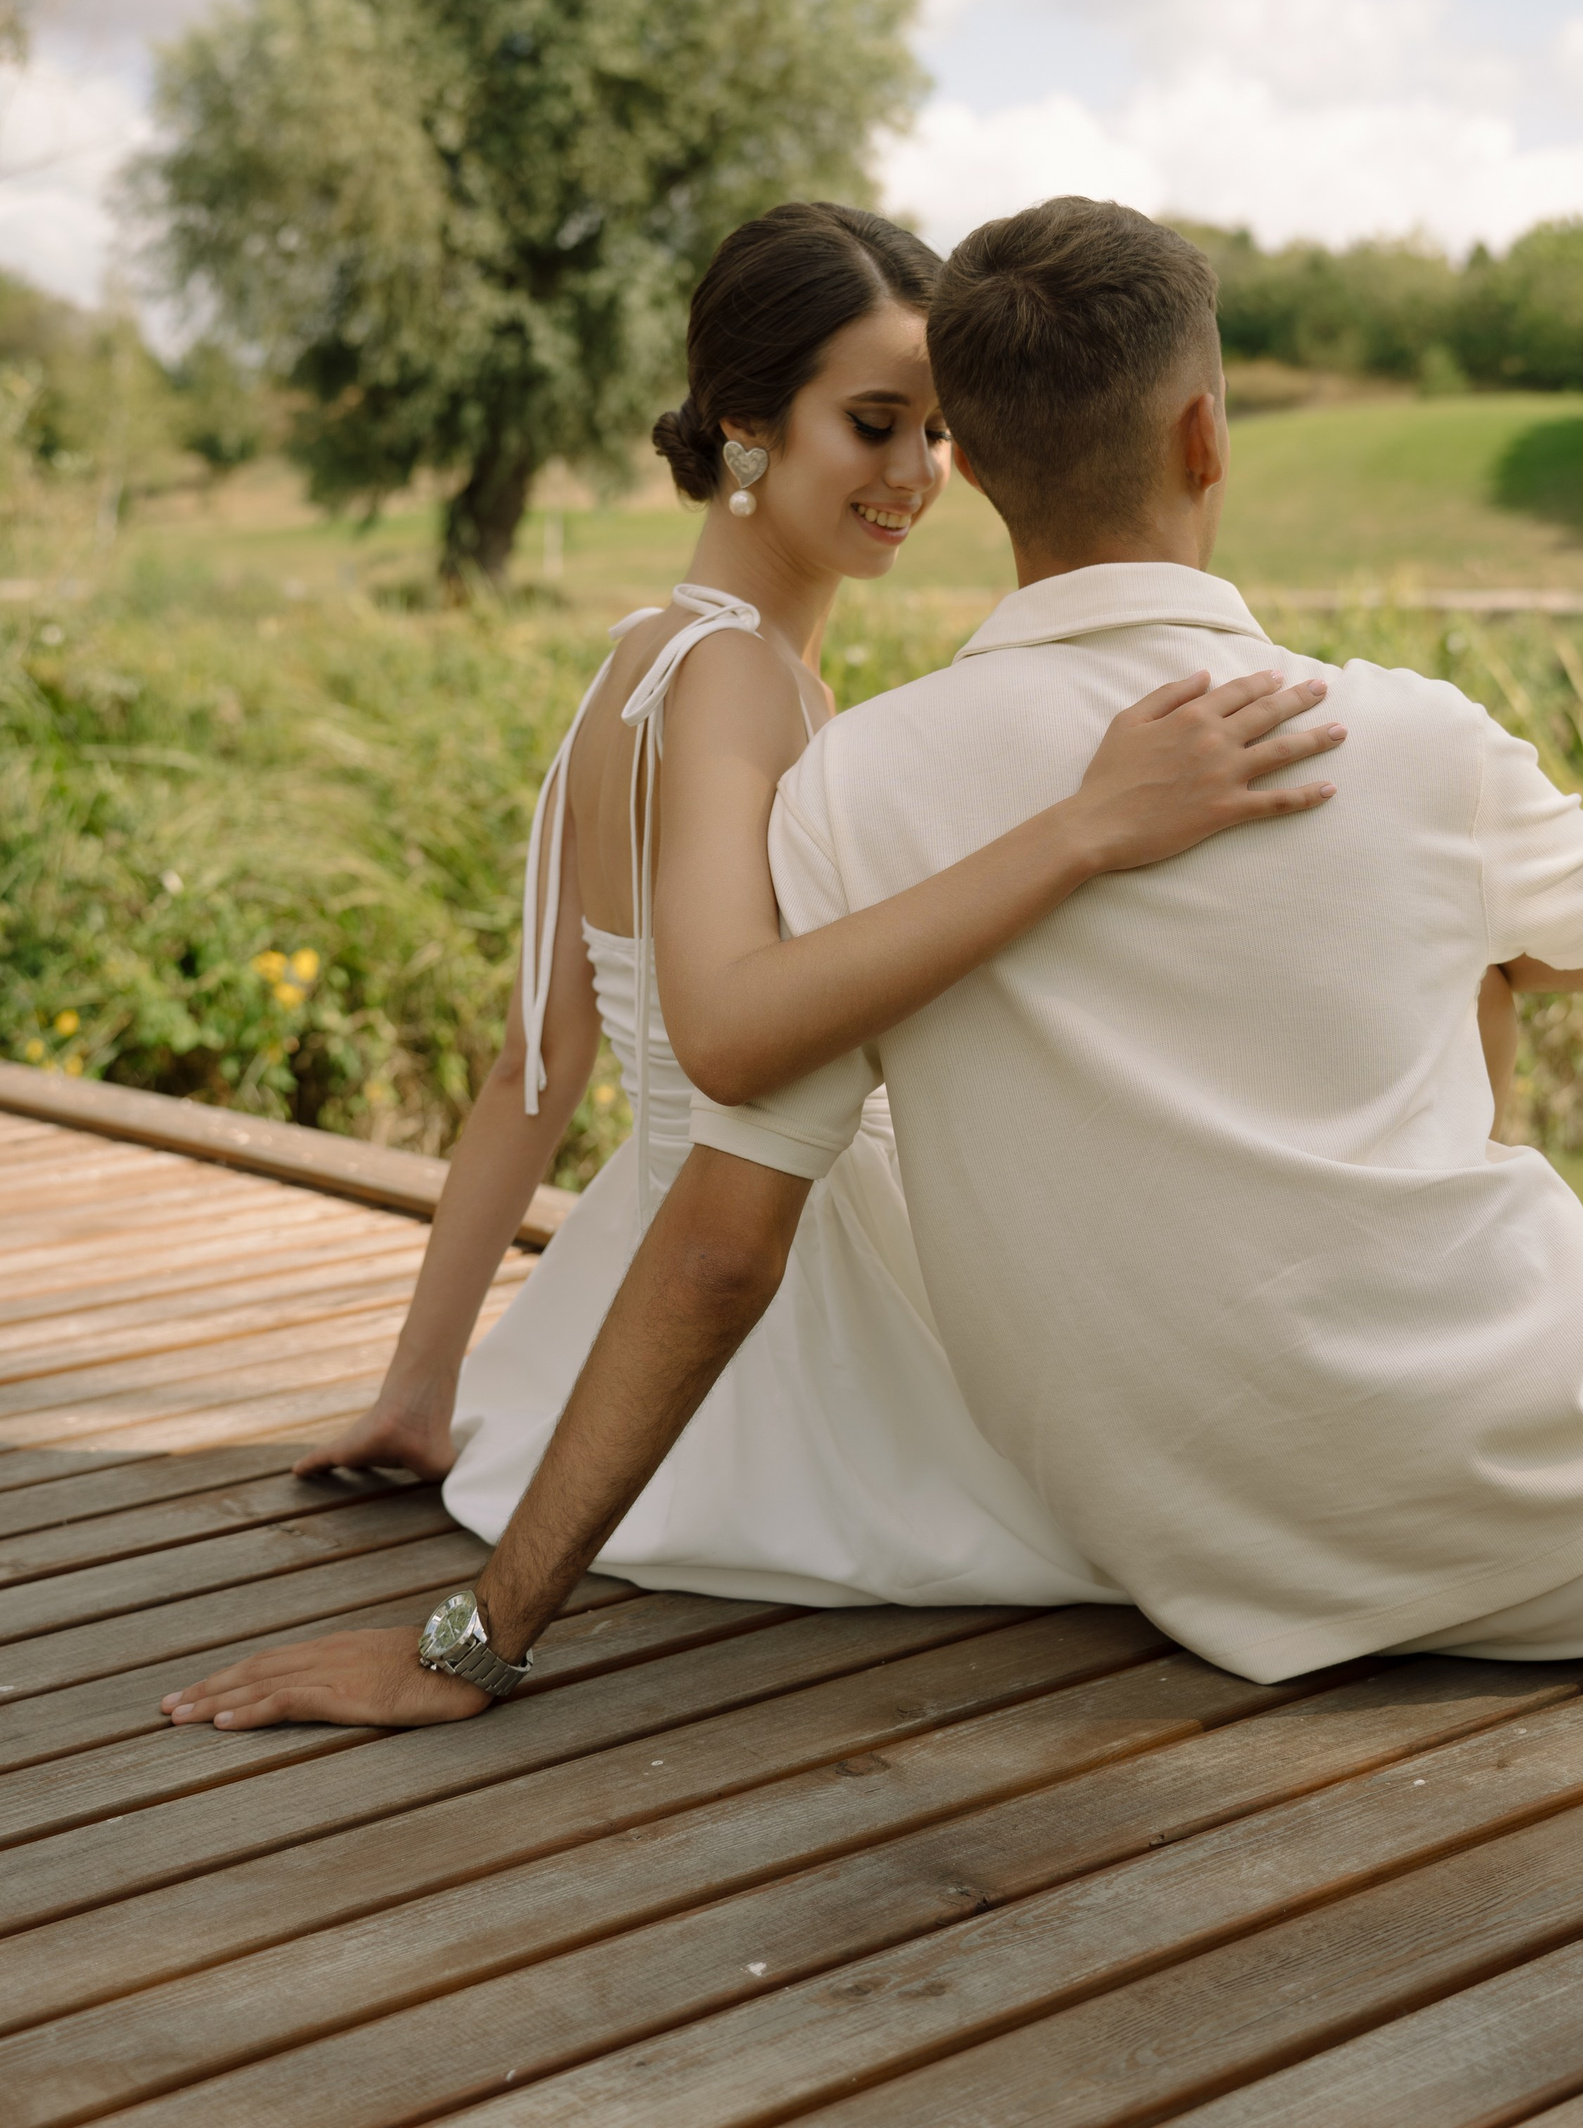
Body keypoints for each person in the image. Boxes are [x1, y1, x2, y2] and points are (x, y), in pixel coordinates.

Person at [162, 198, 1343, 1730]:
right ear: (744, 426)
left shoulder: (658, 656)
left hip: (651, 1291)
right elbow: (708, 1037)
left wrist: (423, 1389)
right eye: (875, 424)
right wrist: (1084, 831)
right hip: (782, 1324)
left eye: (938, 431)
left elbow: (538, 1058)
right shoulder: (731, 680)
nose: (918, 475)